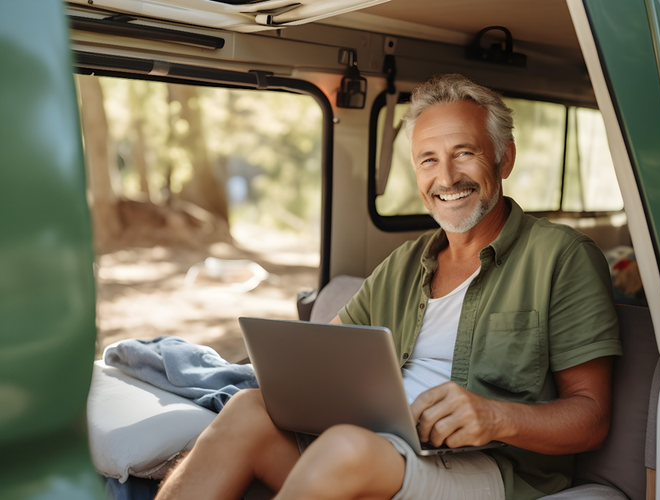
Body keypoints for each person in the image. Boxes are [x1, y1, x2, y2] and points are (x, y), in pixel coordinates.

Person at [155, 73, 622, 500]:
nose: (446, 178)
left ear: (505, 158)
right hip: (381, 445)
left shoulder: (562, 257)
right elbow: (324, 352)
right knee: (245, 411)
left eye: (464, 152)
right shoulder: (405, 262)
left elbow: (592, 417)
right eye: (428, 160)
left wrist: (494, 416)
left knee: (345, 448)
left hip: (488, 466)